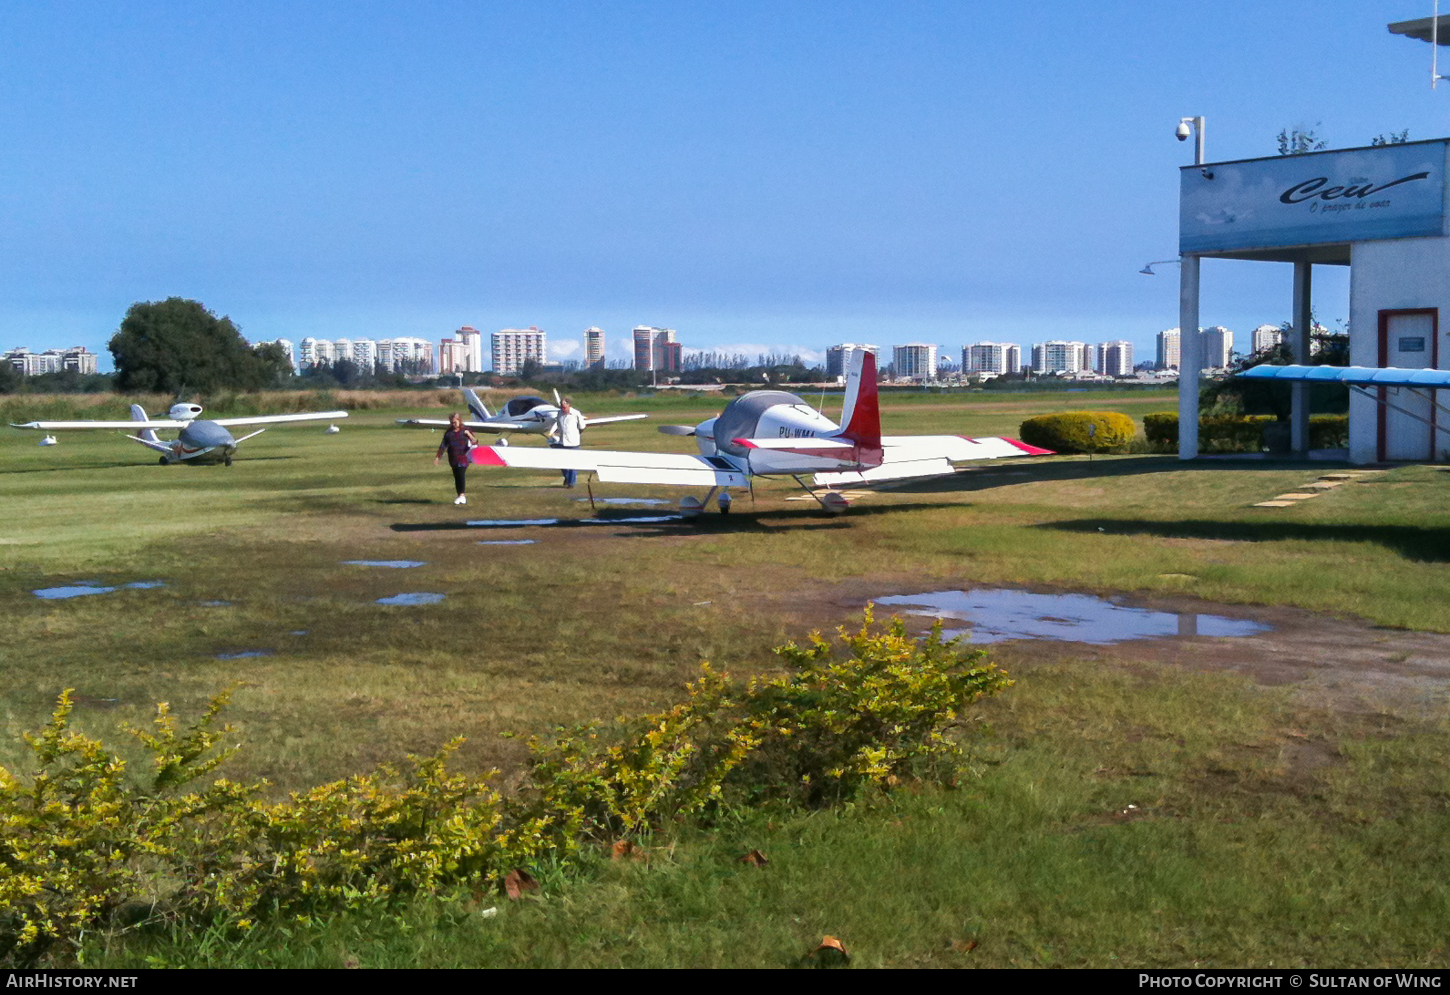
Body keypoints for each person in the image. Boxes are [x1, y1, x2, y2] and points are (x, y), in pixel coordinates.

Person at [434, 412, 478, 505]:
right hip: (453, 458)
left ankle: (462, 496)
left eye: (455, 422)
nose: (453, 424)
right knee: (456, 476)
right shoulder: (449, 432)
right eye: (452, 422)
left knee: (461, 474)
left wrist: (469, 435)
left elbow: (475, 442)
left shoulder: (466, 430)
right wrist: (438, 457)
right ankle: (459, 495)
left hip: (463, 457)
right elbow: (443, 445)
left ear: (459, 421)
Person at [548, 396, 586, 488]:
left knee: (572, 463)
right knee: (562, 462)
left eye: (565, 404)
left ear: (569, 405)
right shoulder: (559, 413)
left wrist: (576, 435)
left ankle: (571, 483)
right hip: (562, 442)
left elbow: (582, 427)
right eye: (561, 404)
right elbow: (558, 425)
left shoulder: (576, 413)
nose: (562, 406)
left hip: (573, 442)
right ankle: (567, 478)